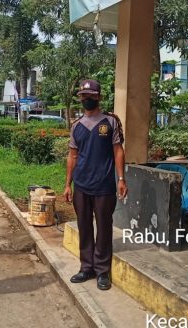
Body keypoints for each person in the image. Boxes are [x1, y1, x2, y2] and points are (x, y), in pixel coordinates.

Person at [63, 79, 128, 291]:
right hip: (81, 185)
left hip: (104, 185)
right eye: (83, 96)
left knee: (104, 227)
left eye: (91, 95)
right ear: (80, 98)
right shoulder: (76, 126)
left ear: (99, 97)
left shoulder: (110, 122)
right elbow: (72, 156)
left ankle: (102, 271)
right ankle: (86, 267)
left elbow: (118, 150)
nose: (87, 99)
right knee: (84, 226)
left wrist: (121, 179)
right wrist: (67, 184)